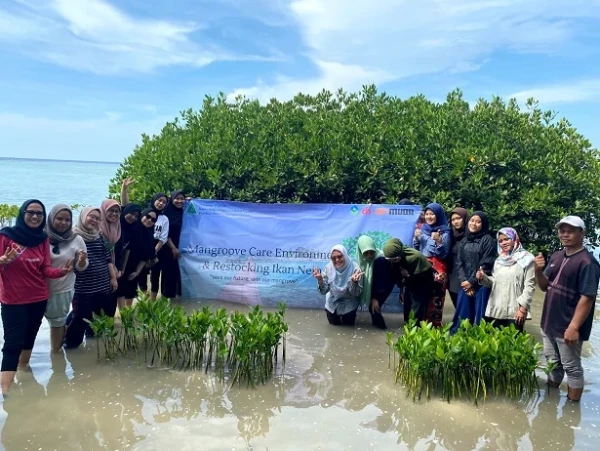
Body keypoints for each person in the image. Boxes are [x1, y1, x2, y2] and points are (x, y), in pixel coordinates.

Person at [0, 200, 71, 394]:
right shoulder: (6, 236)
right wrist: (2, 260)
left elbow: (45, 268)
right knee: (12, 344)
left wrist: (61, 271)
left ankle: (23, 372)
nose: (35, 217)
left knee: (29, 338)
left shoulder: (42, 239)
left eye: (39, 214)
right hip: (13, 300)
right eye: (30, 212)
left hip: (38, 298)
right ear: (23, 214)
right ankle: (6, 391)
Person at [535, 215, 600, 402]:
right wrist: (538, 271)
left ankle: (572, 409)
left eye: (570, 231)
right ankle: (551, 397)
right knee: (552, 362)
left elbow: (587, 297)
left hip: (568, 325)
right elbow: (544, 286)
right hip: (549, 321)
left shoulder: (587, 263)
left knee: (571, 367)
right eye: (562, 231)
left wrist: (574, 327)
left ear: (583, 234)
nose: (565, 235)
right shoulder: (557, 255)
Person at [64, 207, 118, 349]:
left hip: (102, 284)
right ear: (83, 217)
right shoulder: (72, 237)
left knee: (98, 318)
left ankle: (92, 349)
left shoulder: (98, 236)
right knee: (80, 319)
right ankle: (70, 347)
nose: (94, 220)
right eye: (91, 217)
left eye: (97, 218)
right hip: (83, 287)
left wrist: (113, 278)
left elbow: (107, 259)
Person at [45, 204, 89, 352]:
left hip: (62, 289)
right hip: (36, 289)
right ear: (51, 219)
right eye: (59, 218)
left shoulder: (76, 239)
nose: (63, 223)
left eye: (67, 220)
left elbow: (82, 267)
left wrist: (81, 262)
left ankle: (55, 358)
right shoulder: (40, 237)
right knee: (29, 326)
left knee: (57, 323)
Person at [476, 227, 535, 332]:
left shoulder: (527, 258)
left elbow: (529, 286)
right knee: (496, 344)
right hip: (497, 309)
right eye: (500, 241)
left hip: (515, 311)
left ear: (514, 239)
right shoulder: (499, 260)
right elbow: (494, 282)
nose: (503, 243)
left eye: (506, 239)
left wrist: (522, 309)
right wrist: (483, 277)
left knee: (513, 343)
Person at [451, 211, 496, 333]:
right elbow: (459, 263)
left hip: (481, 285)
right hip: (465, 285)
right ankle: (457, 342)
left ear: (483, 224)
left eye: (478, 221)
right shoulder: (465, 240)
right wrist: (465, 282)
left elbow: (486, 264)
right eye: (472, 220)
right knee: (461, 317)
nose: (474, 224)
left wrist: (472, 282)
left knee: (480, 319)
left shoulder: (487, 240)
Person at [413, 202, 451, 326]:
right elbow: (417, 250)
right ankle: (419, 332)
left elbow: (443, 254)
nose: (429, 217)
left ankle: (434, 335)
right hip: (423, 269)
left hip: (438, 272)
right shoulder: (422, 229)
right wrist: (416, 239)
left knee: (435, 302)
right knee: (421, 300)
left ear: (438, 215)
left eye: (432, 214)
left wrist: (438, 241)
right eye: (427, 214)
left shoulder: (445, 232)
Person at [381, 238, 435, 323]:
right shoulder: (392, 260)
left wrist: (408, 275)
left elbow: (426, 278)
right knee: (407, 310)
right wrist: (401, 290)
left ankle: (416, 333)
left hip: (422, 285)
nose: (392, 262)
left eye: (395, 259)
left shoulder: (415, 258)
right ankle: (408, 332)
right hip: (409, 284)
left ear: (400, 254)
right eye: (389, 260)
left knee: (416, 312)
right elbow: (397, 276)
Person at [116, 208, 157, 308]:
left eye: (153, 220)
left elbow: (145, 257)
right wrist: (122, 269)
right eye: (148, 217)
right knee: (119, 292)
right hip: (121, 265)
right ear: (142, 216)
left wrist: (137, 272)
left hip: (135, 267)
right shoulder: (132, 227)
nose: (149, 220)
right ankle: (120, 314)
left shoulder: (150, 235)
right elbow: (125, 207)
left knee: (130, 291)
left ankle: (127, 316)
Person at [312, 245, 363, 326]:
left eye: (340, 256)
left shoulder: (355, 269)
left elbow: (356, 293)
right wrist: (320, 280)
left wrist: (354, 282)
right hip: (332, 305)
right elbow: (323, 291)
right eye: (333, 258)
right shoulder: (328, 268)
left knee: (348, 331)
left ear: (345, 255)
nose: (337, 260)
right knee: (332, 332)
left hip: (349, 305)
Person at [116, 203, 142, 309]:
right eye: (131, 214)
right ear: (125, 211)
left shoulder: (133, 228)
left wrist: (122, 268)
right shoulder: (116, 224)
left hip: (124, 262)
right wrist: (124, 188)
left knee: (124, 288)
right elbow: (124, 203)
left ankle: (125, 315)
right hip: (111, 261)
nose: (133, 218)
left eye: (136, 216)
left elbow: (127, 250)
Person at [356, 235, 386, 329]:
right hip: (373, 289)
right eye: (366, 253)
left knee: (374, 310)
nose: (369, 256)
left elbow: (382, 282)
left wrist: (376, 298)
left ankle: (383, 332)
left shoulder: (380, 260)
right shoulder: (360, 260)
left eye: (371, 252)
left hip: (380, 290)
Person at [161, 190, 185, 299]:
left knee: (181, 274)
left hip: (182, 248)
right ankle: (167, 301)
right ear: (172, 199)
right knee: (169, 275)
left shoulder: (184, 211)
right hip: (169, 249)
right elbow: (165, 234)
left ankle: (180, 300)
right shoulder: (166, 212)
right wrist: (173, 248)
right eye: (177, 198)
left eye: (182, 199)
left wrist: (191, 202)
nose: (179, 201)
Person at [447, 207, 468, 308]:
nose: (455, 221)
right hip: (452, 279)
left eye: (458, 218)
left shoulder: (470, 235)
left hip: (466, 278)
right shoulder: (450, 235)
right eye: (453, 219)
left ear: (464, 219)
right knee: (458, 309)